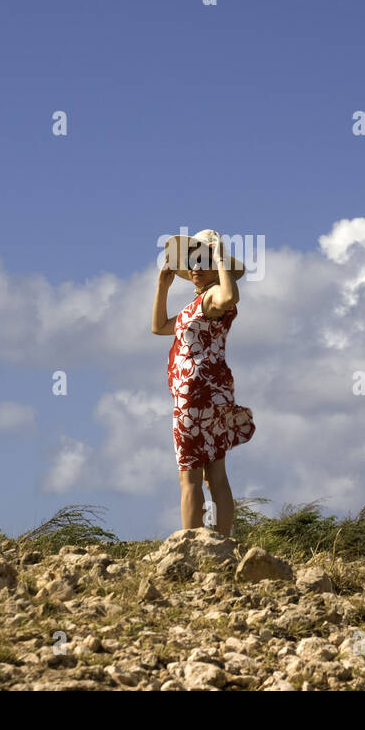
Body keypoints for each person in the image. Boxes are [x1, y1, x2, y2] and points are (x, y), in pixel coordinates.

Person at [151, 229, 255, 536]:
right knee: (215, 473)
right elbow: (158, 327)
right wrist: (162, 285)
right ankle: (222, 542)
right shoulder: (195, 304)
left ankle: (191, 546)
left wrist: (220, 257)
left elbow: (230, 295)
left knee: (190, 476)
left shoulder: (212, 297)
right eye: (192, 261)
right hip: (214, 391)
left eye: (204, 261)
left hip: (195, 393)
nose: (196, 267)